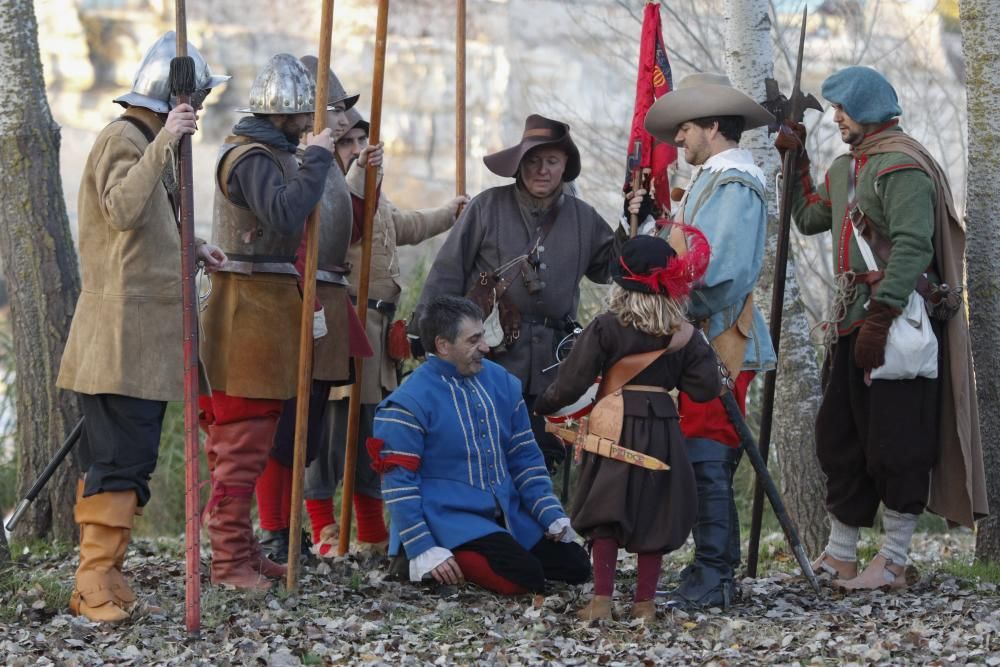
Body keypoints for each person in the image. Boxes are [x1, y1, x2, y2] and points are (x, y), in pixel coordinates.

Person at [776, 66, 987, 590]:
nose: (835, 116)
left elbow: (914, 248)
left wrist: (882, 313)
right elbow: (806, 218)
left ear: (866, 109)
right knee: (840, 439)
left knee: (897, 443)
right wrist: (795, 159)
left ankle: (892, 560)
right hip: (853, 325)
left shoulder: (902, 167)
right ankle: (842, 554)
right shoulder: (849, 168)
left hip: (898, 327)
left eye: (842, 108)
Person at [55, 32, 228, 623]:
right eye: (195, 102)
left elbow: (146, 234)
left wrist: (192, 247)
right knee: (116, 460)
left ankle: (109, 571)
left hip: (142, 341)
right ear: (170, 98)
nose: (200, 111)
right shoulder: (123, 139)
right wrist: (167, 145)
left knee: (134, 459)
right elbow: (122, 211)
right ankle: (90, 581)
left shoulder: (150, 142)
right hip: (117, 336)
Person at [412, 114, 626, 475]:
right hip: (489, 356)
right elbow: (448, 271)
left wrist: (635, 223)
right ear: (519, 164)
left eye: (552, 161)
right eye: (533, 161)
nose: (542, 170)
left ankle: (534, 530)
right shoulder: (486, 207)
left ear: (564, 167)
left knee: (540, 462)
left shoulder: (584, 218)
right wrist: (425, 332)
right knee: (483, 452)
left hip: (553, 368)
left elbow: (614, 268)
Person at [637, 72, 777, 609]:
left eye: (687, 129)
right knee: (702, 455)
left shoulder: (736, 184)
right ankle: (711, 569)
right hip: (701, 339)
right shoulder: (718, 181)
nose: (679, 140)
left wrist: (677, 308)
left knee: (707, 456)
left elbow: (728, 270)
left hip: (720, 340)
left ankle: (716, 574)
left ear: (713, 127)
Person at [303, 109, 468, 558]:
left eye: (361, 140)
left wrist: (447, 215)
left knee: (372, 434)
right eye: (346, 142)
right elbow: (340, 228)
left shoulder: (370, 192)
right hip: (341, 326)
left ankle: (371, 532)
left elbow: (401, 227)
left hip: (376, 328)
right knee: (330, 437)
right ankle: (324, 530)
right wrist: (359, 177)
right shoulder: (322, 189)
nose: (357, 150)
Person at [199, 53, 335, 590]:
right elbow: (284, 212)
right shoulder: (250, 157)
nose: (309, 123)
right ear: (285, 112)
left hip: (266, 310)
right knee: (240, 443)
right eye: (304, 114)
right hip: (244, 312)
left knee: (252, 444)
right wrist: (320, 159)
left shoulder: (272, 154)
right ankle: (229, 561)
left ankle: (243, 550)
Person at [534, 233, 720, 622]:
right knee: (656, 513)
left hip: (611, 423)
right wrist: (695, 343)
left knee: (606, 509)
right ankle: (645, 606)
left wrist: (544, 404)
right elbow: (705, 388)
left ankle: (601, 603)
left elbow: (572, 382)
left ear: (622, 283)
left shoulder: (606, 326)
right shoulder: (683, 333)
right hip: (662, 429)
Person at [371, 296, 591, 595]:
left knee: (576, 567)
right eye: (474, 340)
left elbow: (524, 456)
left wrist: (549, 513)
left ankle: (493, 550)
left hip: (504, 512)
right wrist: (421, 546)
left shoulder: (501, 381)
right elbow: (399, 486)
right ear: (442, 346)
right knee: (526, 580)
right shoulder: (406, 404)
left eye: (483, 336)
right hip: (447, 518)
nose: (486, 347)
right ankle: (433, 557)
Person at [254, 56, 369, 564]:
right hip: (295, 299)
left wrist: (367, 181)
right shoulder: (293, 162)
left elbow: (350, 236)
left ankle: (289, 531)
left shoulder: (327, 166)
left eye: (343, 108)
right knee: (279, 427)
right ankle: (275, 530)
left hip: (328, 297)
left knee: (309, 426)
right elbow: (288, 226)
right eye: (332, 107)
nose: (341, 117)